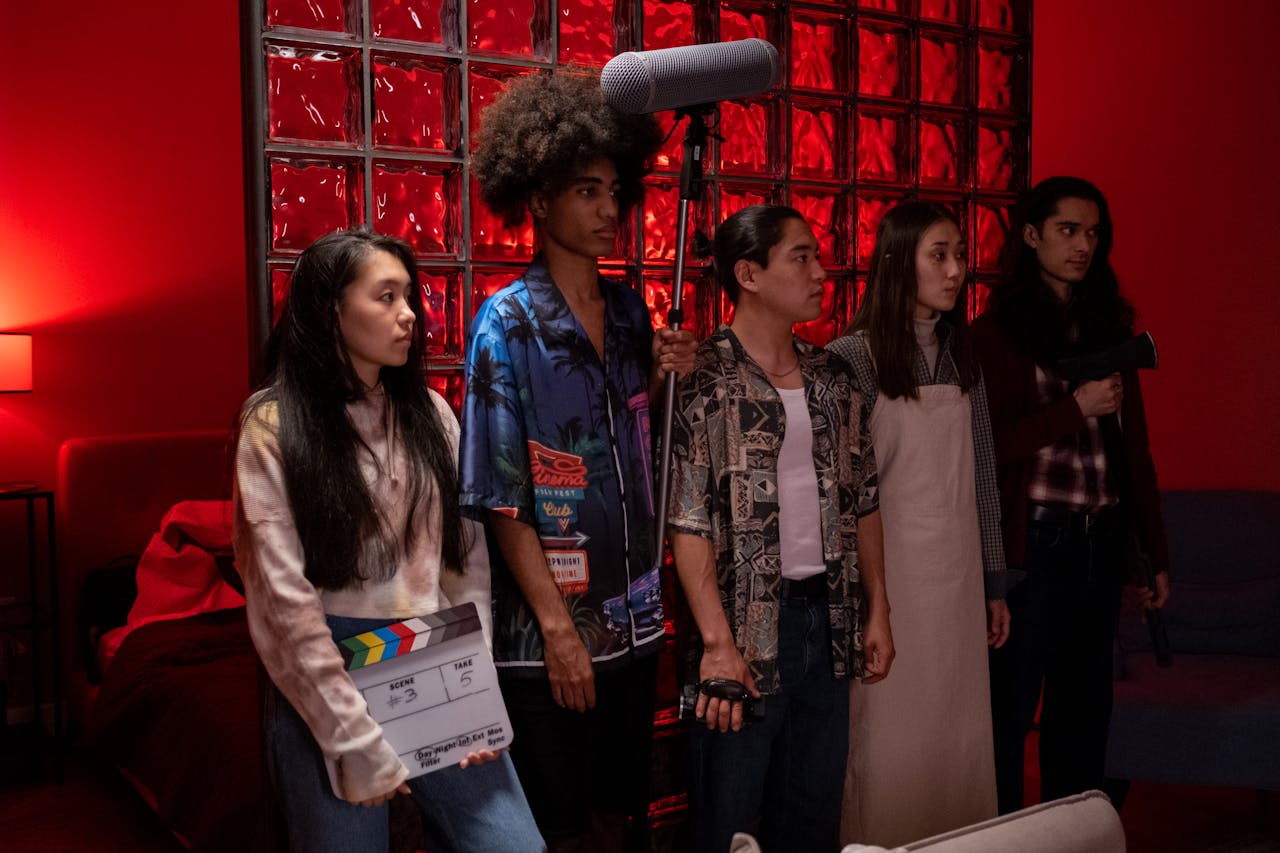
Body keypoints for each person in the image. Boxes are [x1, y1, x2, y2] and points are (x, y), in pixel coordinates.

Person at [232, 228, 544, 852]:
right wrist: (349, 738)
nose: (409, 316)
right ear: (331, 310)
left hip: (432, 651)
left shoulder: (430, 411)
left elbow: (465, 563)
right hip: (329, 665)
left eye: (410, 295)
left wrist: (474, 692)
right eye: (386, 297)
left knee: (514, 846)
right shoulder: (272, 425)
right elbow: (281, 600)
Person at [460, 72, 696, 853]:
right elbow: (499, 496)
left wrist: (666, 377)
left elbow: (643, 445)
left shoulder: (631, 311)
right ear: (538, 200)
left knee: (619, 818)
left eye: (615, 191)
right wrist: (560, 632)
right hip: (552, 638)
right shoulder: (507, 323)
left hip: (635, 624)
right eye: (586, 191)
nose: (608, 211)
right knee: (556, 832)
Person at [666, 204, 893, 853]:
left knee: (814, 815)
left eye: (817, 256)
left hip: (828, 624)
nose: (821, 272)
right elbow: (687, 521)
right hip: (742, 629)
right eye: (801, 256)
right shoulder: (704, 376)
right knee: (729, 823)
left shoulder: (833, 376)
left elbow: (865, 500)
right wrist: (716, 642)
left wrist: (879, 608)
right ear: (749, 273)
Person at [972, 176, 1170, 813]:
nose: (1083, 245)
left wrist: (1150, 551)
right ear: (1031, 236)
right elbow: (982, 448)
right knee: (1009, 712)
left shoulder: (1106, 328)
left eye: (1093, 233)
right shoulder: (992, 336)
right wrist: (1072, 408)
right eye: (1067, 230)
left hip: (1099, 542)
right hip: (1033, 545)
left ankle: (1072, 835)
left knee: (1086, 712)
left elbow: (1131, 452)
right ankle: (1003, 837)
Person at [827, 201, 1020, 845]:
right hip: (887, 582)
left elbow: (986, 475)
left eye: (960, 254)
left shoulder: (962, 355)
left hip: (958, 577)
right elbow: (841, 492)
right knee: (887, 735)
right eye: (939, 254)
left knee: (956, 729)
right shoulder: (850, 358)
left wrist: (995, 583)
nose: (957, 269)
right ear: (897, 260)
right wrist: (859, 597)